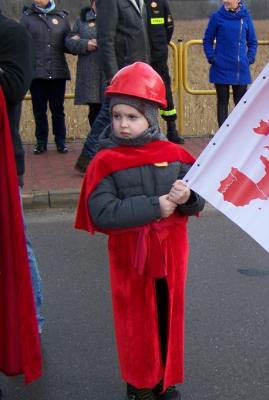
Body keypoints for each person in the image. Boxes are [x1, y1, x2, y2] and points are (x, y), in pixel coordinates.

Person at [75, 62, 205, 400]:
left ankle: (166, 380)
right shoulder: (104, 160)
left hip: (171, 255)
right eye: (117, 116)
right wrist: (155, 206)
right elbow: (101, 213)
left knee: (167, 313)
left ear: (151, 117)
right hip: (129, 257)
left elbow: (199, 201)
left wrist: (189, 196)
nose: (123, 124)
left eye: (132, 117)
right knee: (135, 320)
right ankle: (140, 383)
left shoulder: (176, 155)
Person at [0, 5, 42, 385]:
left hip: (3, 157)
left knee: (17, 243)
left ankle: (34, 320)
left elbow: (14, 86)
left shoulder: (12, 34)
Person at [74, 0, 151, 173]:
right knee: (106, 116)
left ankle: (89, 158)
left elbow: (139, 36)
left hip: (138, 70)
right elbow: (105, 40)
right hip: (122, 72)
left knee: (111, 115)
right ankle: (88, 159)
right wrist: (113, 76)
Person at [20, 0, 71, 154]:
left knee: (58, 109)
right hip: (37, 73)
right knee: (39, 110)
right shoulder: (27, 18)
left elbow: (69, 43)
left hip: (57, 71)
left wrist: (81, 43)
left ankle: (60, 141)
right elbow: (22, 43)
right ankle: (41, 141)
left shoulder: (61, 17)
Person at [203, 0, 258, 128]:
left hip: (240, 69)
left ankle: (238, 134)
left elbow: (252, 42)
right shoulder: (216, 17)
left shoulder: (246, 17)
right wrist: (212, 58)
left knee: (240, 104)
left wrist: (248, 59)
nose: (225, 1)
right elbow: (207, 40)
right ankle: (222, 135)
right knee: (222, 102)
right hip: (221, 67)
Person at [145, 0, 185, 144]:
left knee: (164, 90)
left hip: (158, 55)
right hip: (138, 54)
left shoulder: (160, 2)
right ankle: (146, 130)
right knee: (142, 93)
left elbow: (169, 26)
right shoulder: (132, 3)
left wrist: (161, 44)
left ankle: (171, 129)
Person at [65, 0, 103, 128]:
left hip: (110, 73)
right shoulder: (81, 21)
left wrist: (102, 42)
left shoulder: (117, 19)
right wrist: (85, 44)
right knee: (94, 111)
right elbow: (70, 42)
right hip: (91, 73)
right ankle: (95, 143)